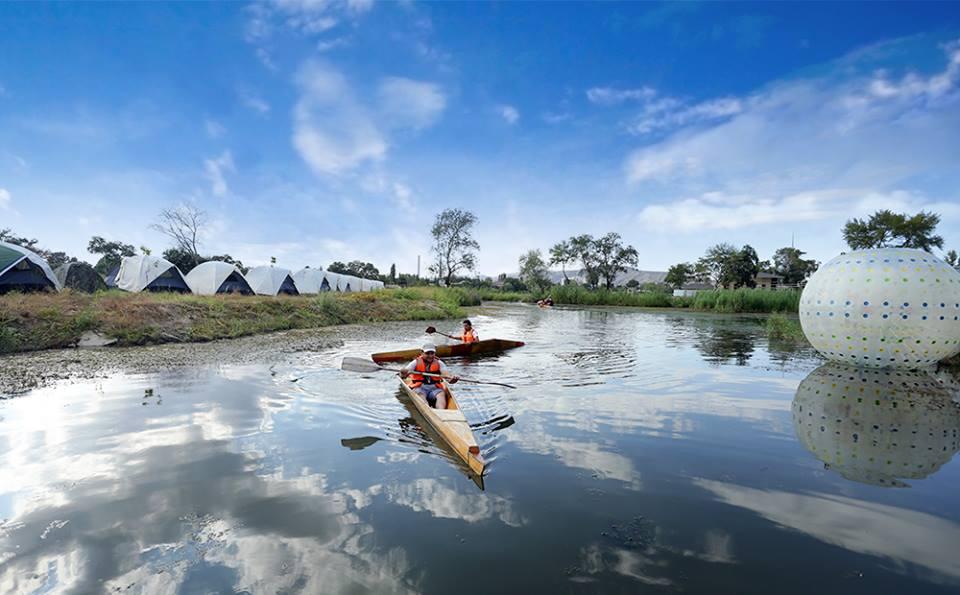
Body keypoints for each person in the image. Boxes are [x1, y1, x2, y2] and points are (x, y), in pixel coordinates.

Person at [400, 342, 459, 409]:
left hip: (434, 389)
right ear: (422, 353)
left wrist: (451, 379)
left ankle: (441, 411)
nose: (430, 356)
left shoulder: (439, 363)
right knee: (420, 394)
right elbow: (404, 374)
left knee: (441, 394)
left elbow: (446, 375)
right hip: (420, 388)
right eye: (427, 353)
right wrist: (403, 372)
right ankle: (428, 409)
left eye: (432, 353)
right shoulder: (415, 362)